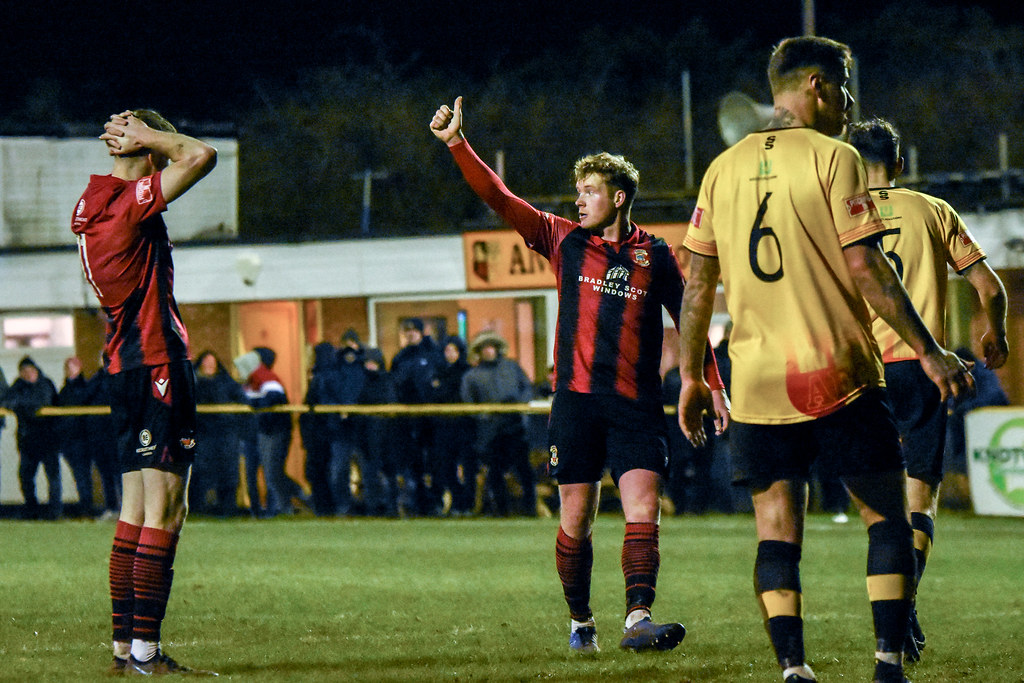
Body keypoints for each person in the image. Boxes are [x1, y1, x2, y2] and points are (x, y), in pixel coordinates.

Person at [675, 37, 973, 683]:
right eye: (843, 85)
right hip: (838, 373)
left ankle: (793, 667)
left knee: (775, 529)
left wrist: (693, 375)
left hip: (757, 383)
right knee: (886, 516)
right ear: (817, 86)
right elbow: (866, 267)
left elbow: (697, 285)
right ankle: (888, 664)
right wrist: (930, 350)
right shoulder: (836, 159)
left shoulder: (721, 169)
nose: (848, 101)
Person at [431, 97, 728, 654]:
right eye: (578, 192)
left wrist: (709, 380)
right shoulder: (564, 239)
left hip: (636, 404)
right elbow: (499, 198)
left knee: (644, 507)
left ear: (617, 197)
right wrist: (456, 144)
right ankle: (581, 622)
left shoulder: (656, 257)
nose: (578, 199)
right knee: (576, 518)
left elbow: (690, 318)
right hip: (576, 403)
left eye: (588, 191)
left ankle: (638, 618)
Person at [847, 117, 1009, 661]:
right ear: (898, 162)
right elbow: (990, 285)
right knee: (920, 495)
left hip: (862, 371)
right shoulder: (932, 211)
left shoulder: (837, 216)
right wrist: (996, 331)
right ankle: (904, 606)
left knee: (876, 506)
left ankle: (894, 607)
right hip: (923, 366)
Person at [72, 108, 217, 674]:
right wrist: (155, 136)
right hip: (156, 360)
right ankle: (146, 654)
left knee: (134, 511)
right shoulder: (131, 206)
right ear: (150, 152)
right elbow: (201, 155)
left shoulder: (92, 206)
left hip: (122, 368)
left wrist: (144, 142)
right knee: (166, 513)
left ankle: (120, 649)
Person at [460, 332, 536, 517]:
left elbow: (527, 388)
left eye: (491, 346)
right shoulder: (472, 376)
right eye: (485, 347)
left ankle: (530, 508)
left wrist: (517, 404)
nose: (488, 350)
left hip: (515, 428)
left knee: (524, 470)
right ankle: (502, 510)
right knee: (495, 473)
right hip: (491, 433)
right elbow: (469, 402)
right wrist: (486, 415)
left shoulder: (512, 367)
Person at [242, 346, 308, 517]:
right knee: (270, 472)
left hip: (273, 431)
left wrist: (253, 403)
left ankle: (292, 501)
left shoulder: (268, 379)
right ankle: (288, 503)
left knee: (272, 472)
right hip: (262, 431)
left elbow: (271, 400)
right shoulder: (251, 380)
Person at [389, 318, 445, 516]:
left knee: (435, 462)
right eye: (407, 330)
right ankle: (418, 503)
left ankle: (436, 502)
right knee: (414, 465)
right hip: (408, 422)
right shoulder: (400, 358)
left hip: (433, 421)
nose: (411, 333)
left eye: (414, 330)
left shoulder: (435, 355)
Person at [2, 356, 61, 520]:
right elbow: (7, 401)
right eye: (24, 372)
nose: (28, 375)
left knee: (53, 478)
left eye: (30, 371)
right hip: (28, 441)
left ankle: (55, 512)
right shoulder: (18, 386)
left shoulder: (45, 384)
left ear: (36, 371)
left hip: (48, 439)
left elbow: (42, 401)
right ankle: (31, 510)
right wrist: (25, 406)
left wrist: (21, 406)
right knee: (26, 478)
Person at [301, 341, 354, 516]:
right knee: (328, 472)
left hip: (327, 433)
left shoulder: (323, 377)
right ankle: (334, 507)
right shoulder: (334, 374)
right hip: (327, 433)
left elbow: (315, 405)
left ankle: (330, 508)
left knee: (327, 472)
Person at [192, 351, 247, 517]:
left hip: (225, 435)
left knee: (228, 472)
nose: (209, 366)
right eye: (206, 363)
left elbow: (242, 401)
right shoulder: (193, 383)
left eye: (212, 363)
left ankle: (227, 507)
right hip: (202, 435)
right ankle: (198, 508)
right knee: (200, 472)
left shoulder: (227, 383)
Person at [431, 335, 477, 515]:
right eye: (446, 350)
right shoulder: (440, 372)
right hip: (444, 427)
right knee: (446, 467)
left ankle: (468, 504)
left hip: (464, 427)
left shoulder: (467, 372)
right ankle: (458, 502)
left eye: (453, 350)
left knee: (468, 468)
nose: (449, 354)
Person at [352, 348, 398, 516]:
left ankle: (391, 506)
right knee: (369, 472)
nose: (370, 366)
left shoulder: (387, 381)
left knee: (388, 473)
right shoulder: (360, 382)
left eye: (373, 362)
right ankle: (373, 506)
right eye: (367, 362)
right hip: (366, 435)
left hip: (386, 435)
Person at [57, 356, 99, 517]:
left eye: (72, 367)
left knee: (84, 476)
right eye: (67, 368)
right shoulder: (65, 390)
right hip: (68, 441)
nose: (69, 371)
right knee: (79, 476)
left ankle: (87, 508)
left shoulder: (84, 388)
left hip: (81, 440)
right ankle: (85, 507)